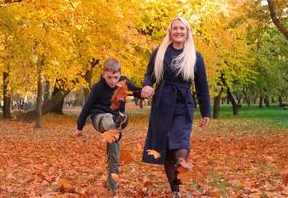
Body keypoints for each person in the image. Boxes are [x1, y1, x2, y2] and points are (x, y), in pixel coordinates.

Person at [140, 17, 210, 197]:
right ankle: (175, 190)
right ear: (170, 32)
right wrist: (147, 86)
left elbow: (202, 87)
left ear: (187, 32)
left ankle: (183, 165)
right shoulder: (160, 52)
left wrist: (206, 112)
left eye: (182, 29)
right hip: (162, 104)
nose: (178, 31)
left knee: (179, 145)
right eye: (175, 29)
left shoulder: (195, 56)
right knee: (166, 150)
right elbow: (149, 75)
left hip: (183, 105)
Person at [74, 58, 141, 195]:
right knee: (109, 119)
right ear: (103, 74)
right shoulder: (98, 87)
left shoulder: (124, 82)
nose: (112, 81)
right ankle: (118, 123)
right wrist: (79, 127)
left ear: (120, 74)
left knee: (114, 158)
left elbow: (137, 92)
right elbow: (87, 107)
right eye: (109, 77)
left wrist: (147, 92)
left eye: (115, 77)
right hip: (100, 119)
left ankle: (113, 190)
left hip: (115, 128)